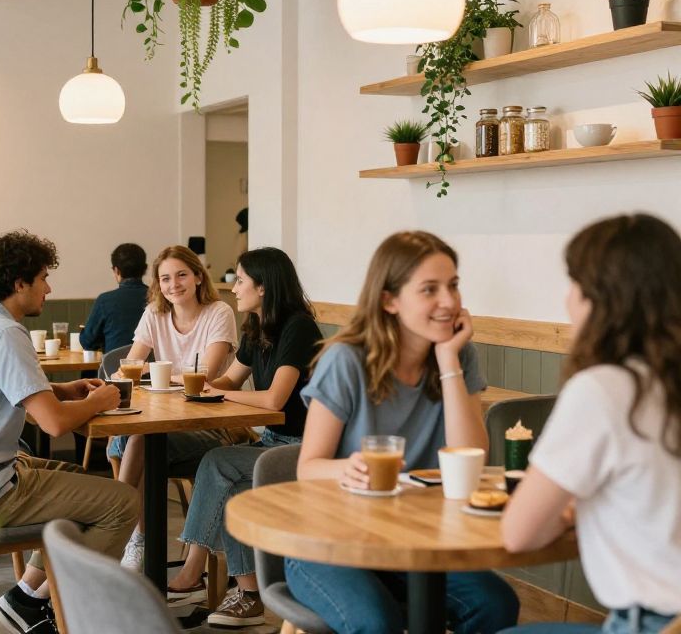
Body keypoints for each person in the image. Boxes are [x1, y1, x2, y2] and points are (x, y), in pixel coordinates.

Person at [284, 231, 519, 634]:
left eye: (453, 286)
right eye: (430, 289)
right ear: (389, 300)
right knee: (377, 624)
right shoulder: (346, 360)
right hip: (329, 541)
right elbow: (308, 467)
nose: (449, 301)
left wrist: (448, 359)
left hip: (416, 542)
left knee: (496, 605)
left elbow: (472, 458)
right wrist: (345, 469)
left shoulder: (458, 353)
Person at [0, 230, 139, 634]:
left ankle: (26, 598)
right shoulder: (5, 332)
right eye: (43, 278)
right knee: (123, 502)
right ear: (19, 284)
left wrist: (60, 390)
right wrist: (99, 400)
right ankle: (61, 609)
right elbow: (53, 423)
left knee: (77, 480)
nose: (49, 288)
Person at [501, 214, 681, 634]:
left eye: (574, 283)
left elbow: (518, 534)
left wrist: (569, 513)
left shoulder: (604, 391)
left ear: (603, 298)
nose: (568, 299)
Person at [165, 247, 322, 627]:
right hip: (273, 442)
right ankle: (249, 595)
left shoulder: (298, 327)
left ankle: (192, 572)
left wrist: (213, 392)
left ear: (263, 286)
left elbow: (274, 399)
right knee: (234, 492)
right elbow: (229, 381)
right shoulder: (257, 326)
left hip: (304, 449)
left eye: (239, 280)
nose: (233, 288)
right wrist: (187, 387)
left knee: (218, 461)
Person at [114, 245, 238, 570]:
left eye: (181, 275)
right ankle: (134, 537)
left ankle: (117, 528)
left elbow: (205, 376)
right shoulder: (154, 314)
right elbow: (130, 366)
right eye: (165, 278)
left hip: (213, 424)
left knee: (137, 440)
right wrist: (136, 371)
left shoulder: (219, 312)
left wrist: (155, 372)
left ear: (198, 276)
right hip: (167, 420)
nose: (173, 284)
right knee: (130, 440)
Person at [79, 242, 149, 354]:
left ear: (116, 270)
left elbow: (88, 342)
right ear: (145, 269)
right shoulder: (158, 299)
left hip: (115, 364)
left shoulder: (105, 301)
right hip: (153, 365)